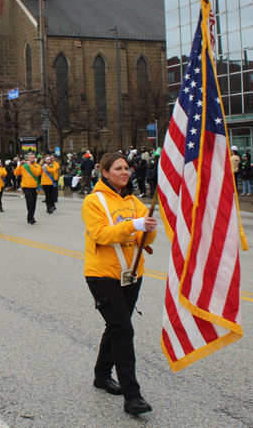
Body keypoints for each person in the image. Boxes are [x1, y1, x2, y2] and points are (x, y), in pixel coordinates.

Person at [82, 152, 157, 415]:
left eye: (127, 168)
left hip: (132, 274)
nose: (124, 172)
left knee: (116, 326)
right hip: (102, 275)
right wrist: (134, 224)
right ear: (104, 172)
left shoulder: (135, 201)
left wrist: (148, 228)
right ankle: (132, 396)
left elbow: (145, 243)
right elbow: (101, 235)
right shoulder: (93, 201)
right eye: (118, 168)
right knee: (123, 329)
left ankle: (101, 375)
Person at [14, 152, 42, 224]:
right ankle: (30, 217)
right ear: (28, 158)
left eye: (33, 157)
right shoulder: (24, 166)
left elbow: (37, 173)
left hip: (34, 186)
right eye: (31, 157)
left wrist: (30, 166)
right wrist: (20, 165)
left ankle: (31, 216)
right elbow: (16, 173)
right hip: (26, 186)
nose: (32, 158)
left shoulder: (37, 166)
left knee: (34, 203)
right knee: (30, 202)